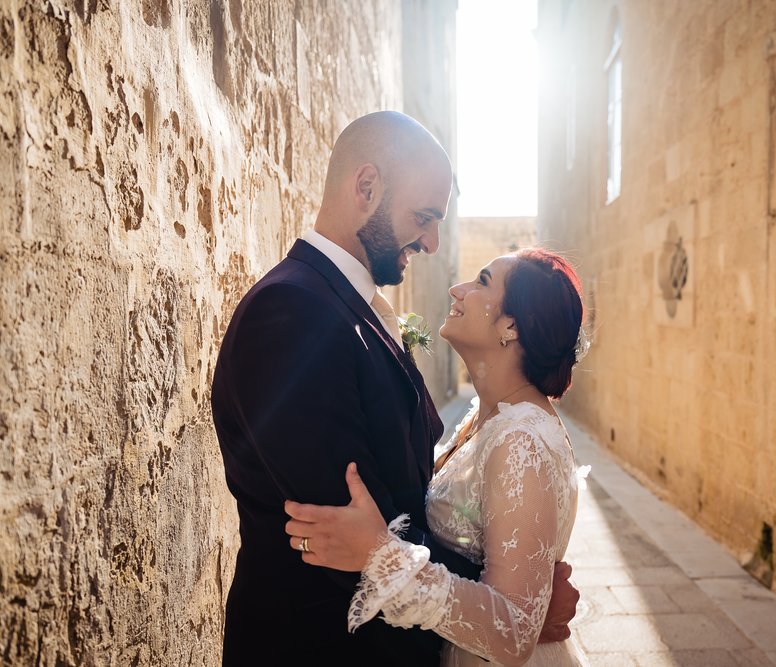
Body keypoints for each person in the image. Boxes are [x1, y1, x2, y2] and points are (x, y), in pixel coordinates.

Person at [211, 111, 577, 665]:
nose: (433, 243)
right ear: (366, 188)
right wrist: (509, 598)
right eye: (424, 217)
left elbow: (385, 523)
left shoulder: (345, 306)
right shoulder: (292, 313)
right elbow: (344, 532)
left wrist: (513, 599)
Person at [284, 248, 589, 666]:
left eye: (482, 281)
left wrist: (380, 554)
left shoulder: (523, 440)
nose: (456, 289)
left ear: (511, 325)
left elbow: (515, 630)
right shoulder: (490, 418)